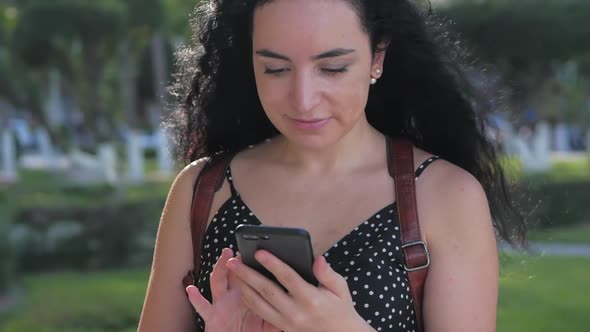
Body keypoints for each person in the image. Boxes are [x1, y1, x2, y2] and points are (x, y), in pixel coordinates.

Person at [137, 0, 526, 331]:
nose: (303, 99)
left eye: (333, 68)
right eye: (276, 69)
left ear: (377, 57)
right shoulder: (203, 190)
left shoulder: (446, 195)